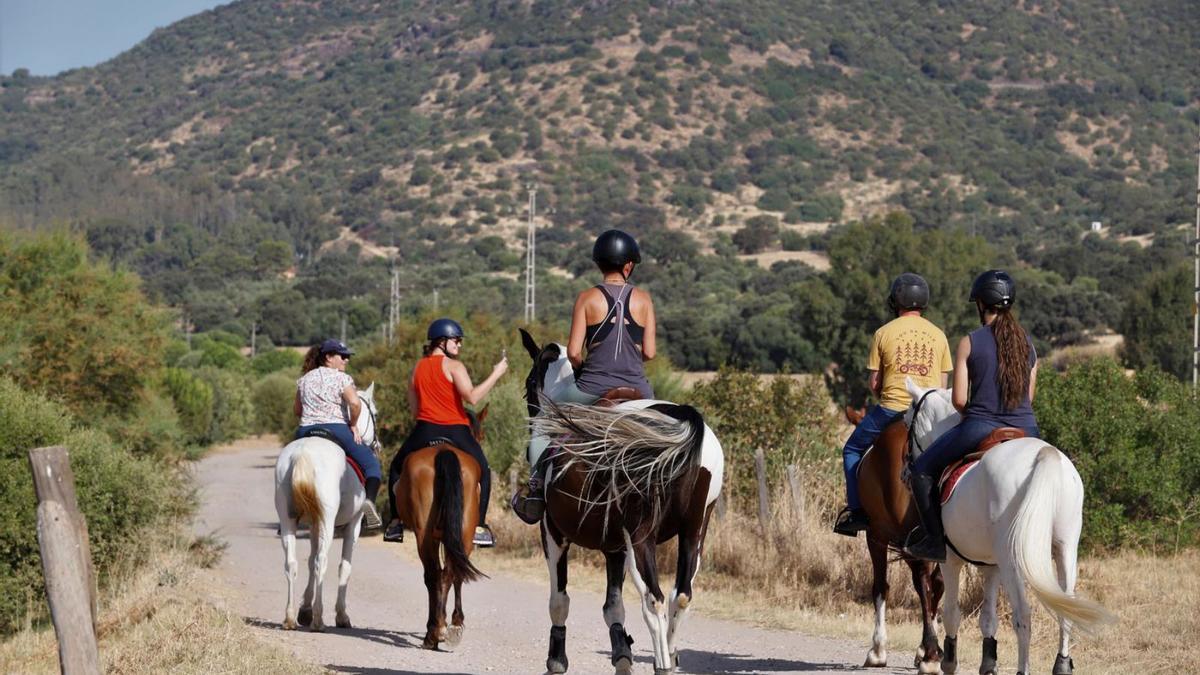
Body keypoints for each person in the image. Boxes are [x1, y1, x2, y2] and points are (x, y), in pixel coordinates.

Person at [510, 228, 657, 524]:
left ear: (599, 263)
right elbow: (650, 353)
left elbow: (575, 352)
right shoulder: (643, 299)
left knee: (544, 423)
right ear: (628, 265)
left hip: (594, 387)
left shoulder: (587, 298)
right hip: (639, 389)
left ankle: (536, 491)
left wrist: (592, 362)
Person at [903, 270, 1040, 562]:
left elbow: (959, 399)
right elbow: (1029, 398)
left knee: (922, 470)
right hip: (1028, 429)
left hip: (981, 426)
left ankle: (935, 543)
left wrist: (978, 414)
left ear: (981, 304)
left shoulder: (970, 342)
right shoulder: (1029, 345)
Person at [833, 273, 952, 537]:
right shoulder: (939, 335)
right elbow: (942, 387)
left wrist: (882, 391)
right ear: (924, 302)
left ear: (895, 300)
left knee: (852, 450)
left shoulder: (883, 333)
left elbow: (875, 382)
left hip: (891, 409)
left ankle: (856, 512)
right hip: (928, 413)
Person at [383, 318, 507, 547]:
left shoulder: (416, 369)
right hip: (456, 429)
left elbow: (414, 411)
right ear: (442, 341)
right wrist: (496, 374)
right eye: (457, 341)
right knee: (484, 471)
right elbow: (472, 397)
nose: (459, 345)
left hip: (424, 428)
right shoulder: (454, 366)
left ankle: (395, 523)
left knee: (396, 468)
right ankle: (479, 525)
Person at [295, 339, 383, 531]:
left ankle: (290, 512)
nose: (346, 360)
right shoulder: (342, 378)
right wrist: (353, 425)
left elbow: (297, 410)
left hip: (305, 430)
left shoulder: (304, 379)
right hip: (336, 429)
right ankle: (369, 502)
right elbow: (355, 404)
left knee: (291, 463)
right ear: (328, 357)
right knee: (372, 465)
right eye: (342, 356)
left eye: (347, 357)